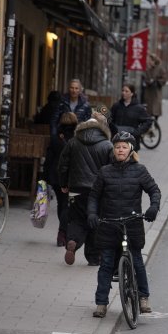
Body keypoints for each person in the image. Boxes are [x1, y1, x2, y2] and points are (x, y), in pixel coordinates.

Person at [88, 131, 161, 318]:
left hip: (132, 223)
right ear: (114, 150)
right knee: (105, 264)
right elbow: (94, 196)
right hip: (109, 223)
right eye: (117, 147)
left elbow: (154, 190)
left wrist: (153, 207)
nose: (120, 150)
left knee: (137, 261)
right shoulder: (105, 172)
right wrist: (92, 213)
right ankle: (101, 304)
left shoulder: (140, 170)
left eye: (124, 147)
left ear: (131, 150)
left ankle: (143, 297)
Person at [58, 114, 114, 266]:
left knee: (76, 219)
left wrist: (63, 183)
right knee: (95, 221)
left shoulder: (73, 142)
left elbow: (63, 164)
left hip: (76, 189)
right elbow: (112, 169)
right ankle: (93, 257)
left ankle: (72, 241)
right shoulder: (107, 145)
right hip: (98, 191)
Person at [45, 112, 78, 247]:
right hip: (72, 176)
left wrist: (45, 177)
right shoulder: (77, 138)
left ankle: (62, 232)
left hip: (55, 175)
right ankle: (63, 232)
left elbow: (48, 159)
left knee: (61, 203)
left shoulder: (55, 138)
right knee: (68, 205)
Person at [109, 83, 154, 150]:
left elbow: (148, 121)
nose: (123, 93)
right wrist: (114, 130)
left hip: (132, 143)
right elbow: (109, 120)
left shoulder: (139, 108)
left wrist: (137, 132)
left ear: (132, 93)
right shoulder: (116, 106)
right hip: (117, 142)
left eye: (126, 91)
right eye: (123, 91)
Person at [142, 53, 167, 120]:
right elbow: (145, 78)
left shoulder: (160, 68)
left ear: (153, 60)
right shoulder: (147, 69)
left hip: (156, 91)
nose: (148, 61)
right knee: (149, 108)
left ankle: (156, 122)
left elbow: (164, 79)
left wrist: (157, 81)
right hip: (149, 91)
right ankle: (150, 123)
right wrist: (148, 81)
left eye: (150, 60)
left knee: (156, 108)